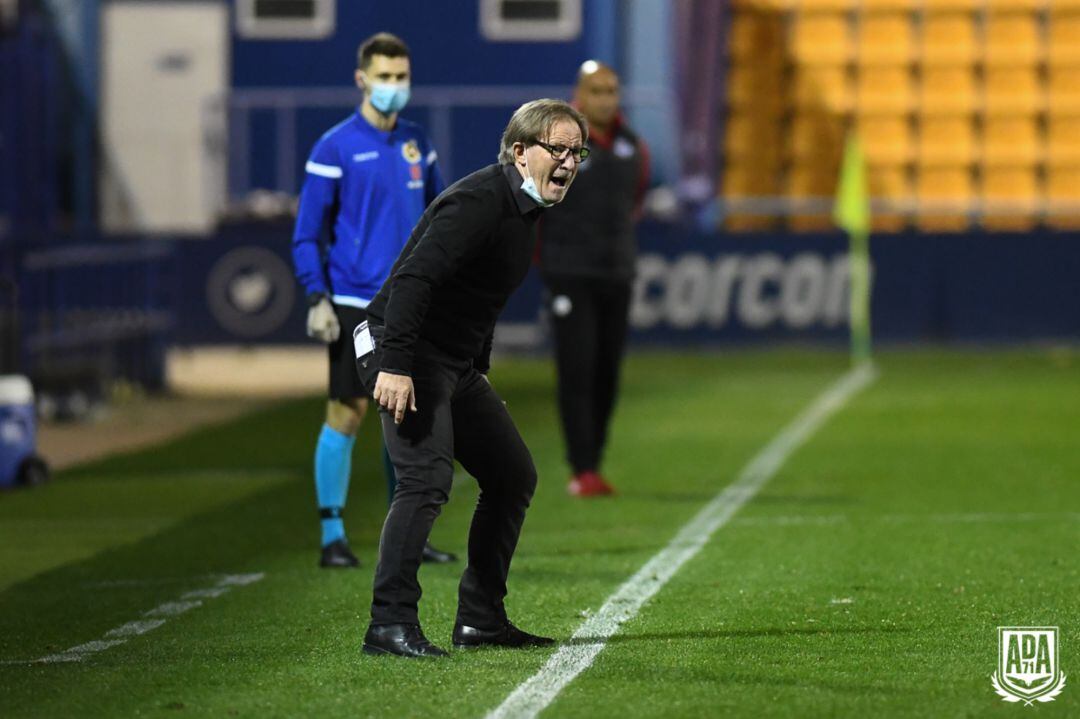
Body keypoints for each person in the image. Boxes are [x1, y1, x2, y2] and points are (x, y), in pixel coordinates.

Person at [355, 99, 589, 658]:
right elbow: (412, 280)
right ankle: (388, 624)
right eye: (557, 148)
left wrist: (476, 372)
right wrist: (395, 365)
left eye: (577, 151)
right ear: (519, 151)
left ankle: (480, 619)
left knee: (512, 476)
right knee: (425, 482)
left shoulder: (525, 207)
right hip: (402, 349)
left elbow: (478, 297)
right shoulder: (479, 202)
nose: (569, 161)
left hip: (449, 362)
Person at [291, 32, 456, 569]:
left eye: (401, 77)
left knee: (406, 411)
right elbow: (306, 233)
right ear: (362, 80)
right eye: (384, 78)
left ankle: (407, 532)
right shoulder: (334, 147)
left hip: (410, 301)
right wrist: (316, 295)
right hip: (353, 299)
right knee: (348, 410)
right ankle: (332, 536)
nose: (394, 87)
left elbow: (439, 218)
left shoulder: (417, 142)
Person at [538, 60, 650, 498]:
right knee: (577, 370)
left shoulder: (632, 147)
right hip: (569, 273)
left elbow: (634, 203)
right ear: (579, 95)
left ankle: (593, 463)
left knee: (607, 372)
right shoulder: (557, 143)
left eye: (612, 90)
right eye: (597, 91)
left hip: (616, 271)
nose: (606, 98)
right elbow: (537, 202)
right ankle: (580, 466)